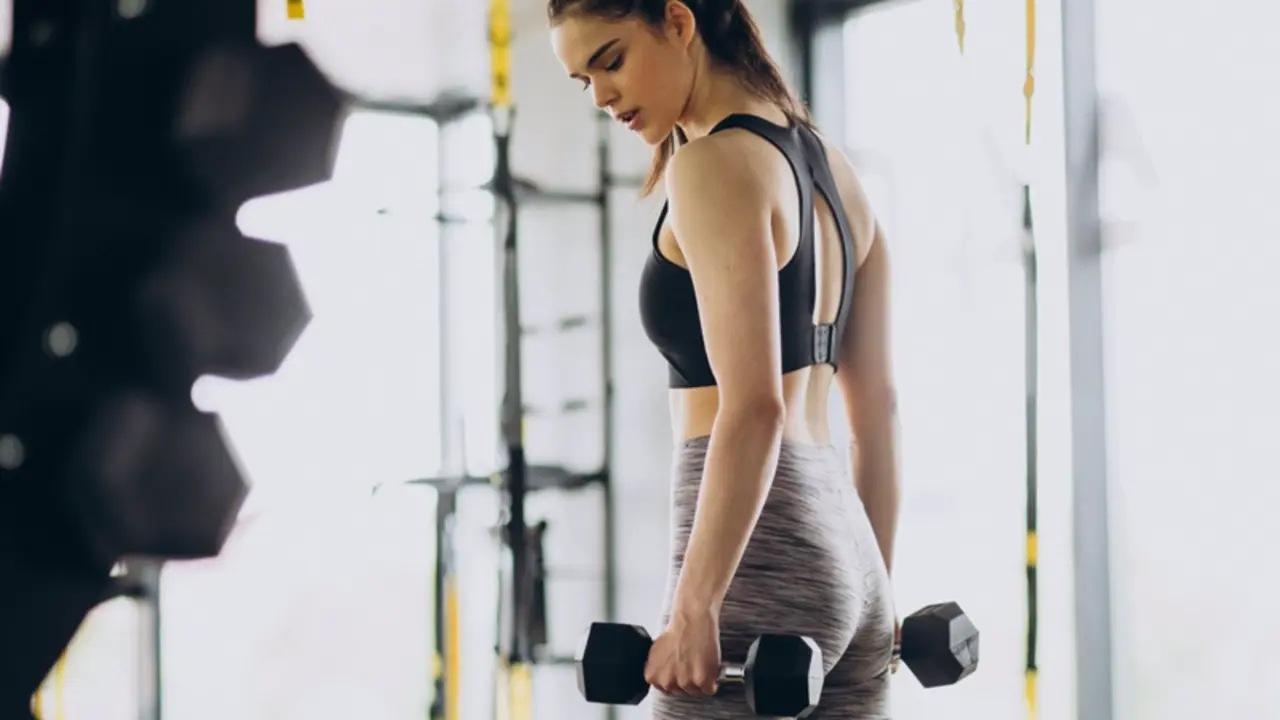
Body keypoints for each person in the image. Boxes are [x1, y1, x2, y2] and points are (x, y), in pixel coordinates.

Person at [549, 1, 900, 717]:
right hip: (852, 556)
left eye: (612, 60)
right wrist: (874, 589)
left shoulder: (710, 165)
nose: (603, 96)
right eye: (584, 81)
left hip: (763, 554)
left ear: (679, 21)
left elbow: (754, 406)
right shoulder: (838, 173)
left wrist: (696, 609)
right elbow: (879, 412)